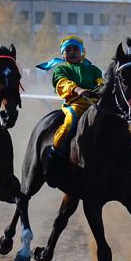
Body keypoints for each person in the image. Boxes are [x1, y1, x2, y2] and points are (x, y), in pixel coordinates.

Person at [40, 35, 104, 182]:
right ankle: (53, 157)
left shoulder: (93, 69)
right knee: (69, 123)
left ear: (82, 52)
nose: (72, 52)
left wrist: (102, 87)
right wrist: (77, 89)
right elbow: (62, 83)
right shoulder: (61, 69)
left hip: (95, 104)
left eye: (76, 49)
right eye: (68, 50)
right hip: (76, 104)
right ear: (63, 54)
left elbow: (101, 81)